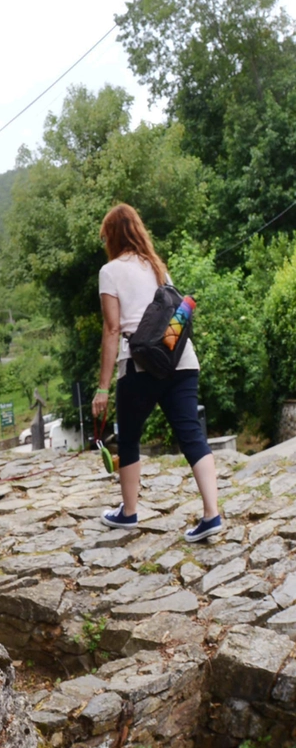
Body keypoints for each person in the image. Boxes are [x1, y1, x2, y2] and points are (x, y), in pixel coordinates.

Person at [91, 203, 222, 542]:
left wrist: (102, 388)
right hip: (182, 361)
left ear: (113, 237)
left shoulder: (110, 271)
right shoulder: (158, 267)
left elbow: (111, 328)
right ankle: (212, 514)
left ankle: (129, 512)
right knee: (191, 434)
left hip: (140, 366)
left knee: (130, 437)